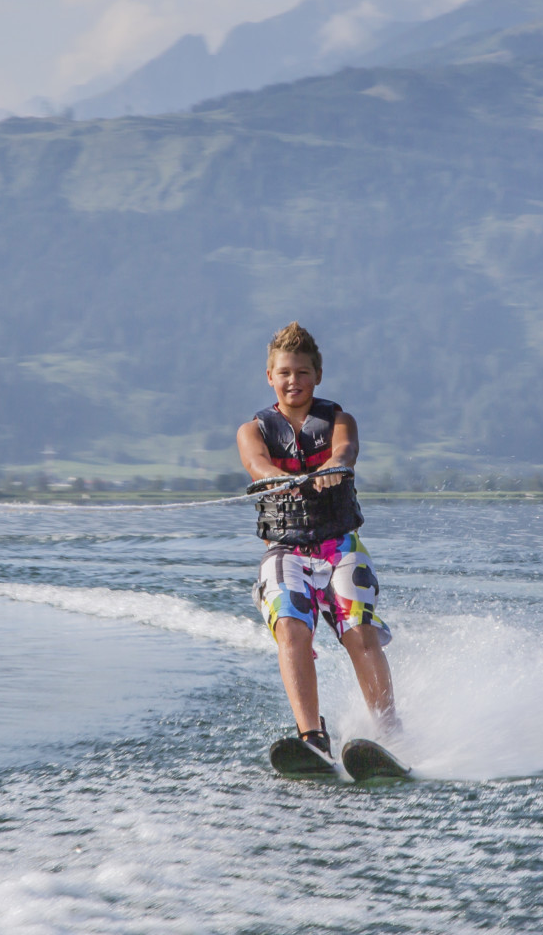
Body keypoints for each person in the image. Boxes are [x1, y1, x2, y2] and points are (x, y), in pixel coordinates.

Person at [237, 321, 398, 762]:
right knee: (291, 626)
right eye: (285, 372)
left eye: (303, 372)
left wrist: (333, 466)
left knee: (358, 630)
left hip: (339, 546)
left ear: (318, 376)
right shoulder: (253, 430)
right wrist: (278, 479)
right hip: (285, 551)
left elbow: (345, 450)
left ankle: (389, 730)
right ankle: (312, 736)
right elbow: (256, 464)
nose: (294, 381)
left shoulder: (339, 421)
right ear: (270, 376)